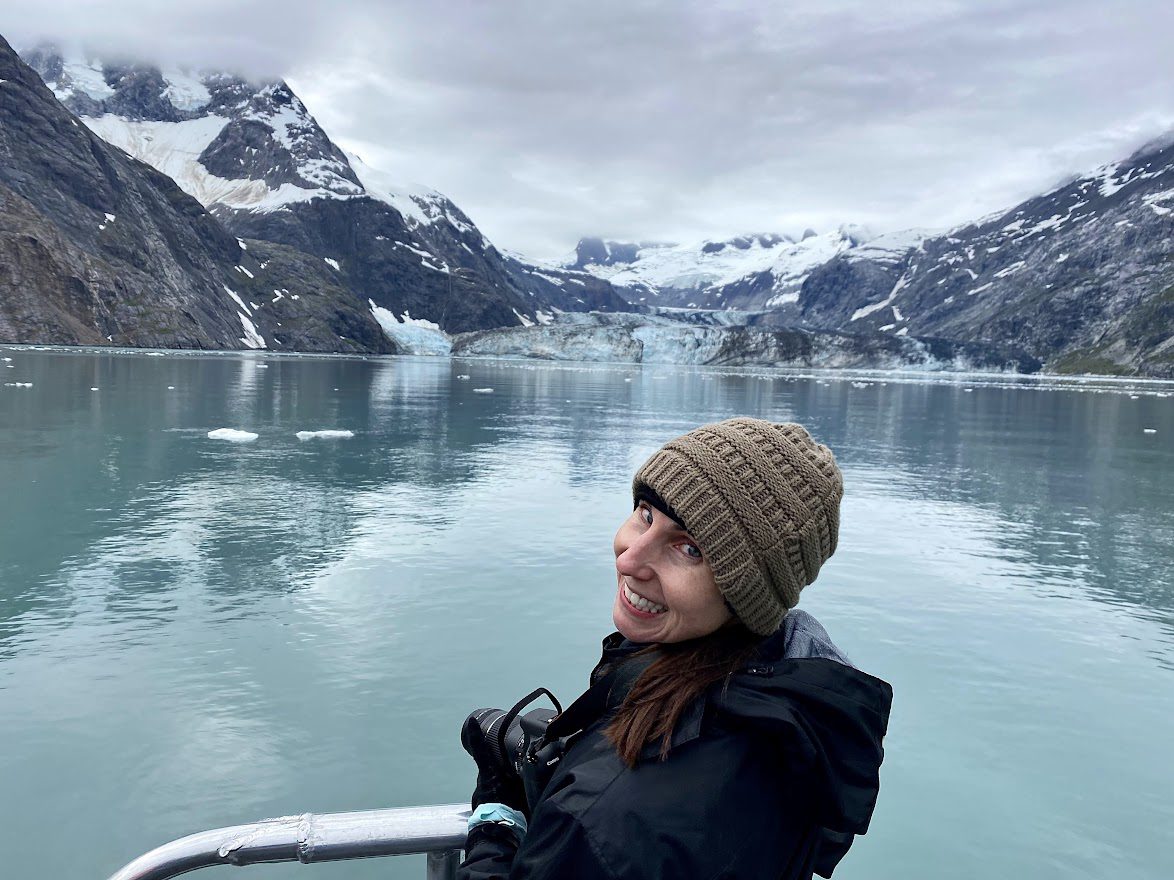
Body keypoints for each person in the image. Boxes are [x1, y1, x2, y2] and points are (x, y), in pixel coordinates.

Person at [457, 418, 893, 880]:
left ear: (747, 593)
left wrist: (499, 815)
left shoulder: (608, 821)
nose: (628, 558)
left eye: (688, 549)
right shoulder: (793, 711)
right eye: (645, 514)